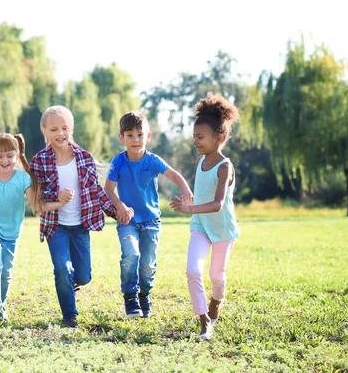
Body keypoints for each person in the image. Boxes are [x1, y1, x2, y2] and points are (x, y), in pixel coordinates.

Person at [30, 105, 128, 328]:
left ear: (71, 129)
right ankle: (69, 316)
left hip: (81, 225)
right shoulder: (39, 161)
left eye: (64, 128)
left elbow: (96, 192)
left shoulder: (84, 158)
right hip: (55, 227)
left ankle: (69, 285)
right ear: (44, 131)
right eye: (54, 129)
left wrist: (117, 211)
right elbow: (38, 203)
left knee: (83, 277)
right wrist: (59, 200)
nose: (60, 133)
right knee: (63, 269)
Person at [0, 133, 66, 323]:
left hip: (12, 233)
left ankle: (0, 307)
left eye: (9, 155)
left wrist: (60, 202)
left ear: (17, 155)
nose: (4, 160)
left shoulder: (24, 179)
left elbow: (38, 205)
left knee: (6, 272)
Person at [104, 111, 193, 319]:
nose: (135, 140)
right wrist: (120, 206)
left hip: (151, 221)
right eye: (130, 135)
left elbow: (174, 175)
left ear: (148, 136)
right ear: (121, 138)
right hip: (127, 221)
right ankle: (130, 296)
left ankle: (144, 294)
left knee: (148, 263)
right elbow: (108, 190)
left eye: (140, 135)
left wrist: (186, 190)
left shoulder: (153, 161)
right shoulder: (118, 162)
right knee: (131, 255)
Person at [170, 93, 241, 340]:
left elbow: (218, 204)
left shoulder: (225, 166)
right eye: (194, 137)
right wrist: (187, 202)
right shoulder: (201, 160)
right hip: (200, 225)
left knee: (216, 276)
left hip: (222, 228)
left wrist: (189, 208)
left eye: (200, 137)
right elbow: (200, 193)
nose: (195, 142)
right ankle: (204, 321)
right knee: (193, 270)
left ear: (218, 138)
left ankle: (216, 302)